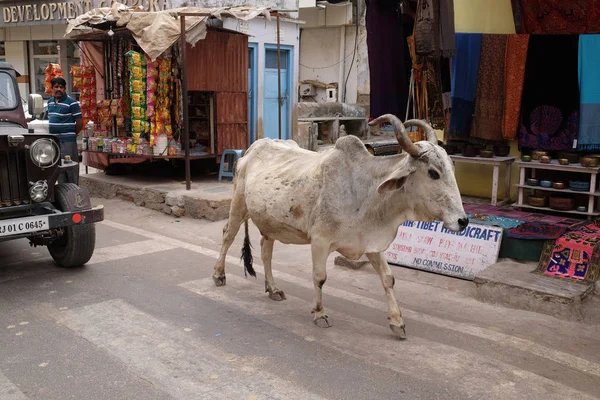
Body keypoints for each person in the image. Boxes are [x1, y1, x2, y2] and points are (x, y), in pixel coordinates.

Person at [47, 77, 83, 184]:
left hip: (67, 141)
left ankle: (73, 190)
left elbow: (80, 122)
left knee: (70, 166)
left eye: (61, 87)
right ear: (52, 88)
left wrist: (72, 134)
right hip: (54, 141)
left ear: (65, 88)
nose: (59, 89)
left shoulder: (72, 103)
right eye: (56, 87)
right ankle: (62, 191)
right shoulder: (50, 102)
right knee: (58, 166)